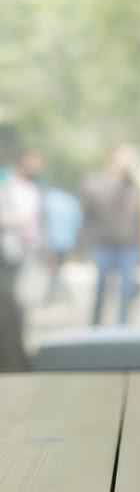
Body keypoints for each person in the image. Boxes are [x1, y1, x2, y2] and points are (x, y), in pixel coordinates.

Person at [81, 144, 140, 327]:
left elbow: (138, 218)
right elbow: (89, 213)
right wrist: (84, 244)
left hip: (129, 245)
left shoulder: (134, 187)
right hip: (104, 244)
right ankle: (95, 326)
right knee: (101, 289)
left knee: (127, 290)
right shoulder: (95, 183)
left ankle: (122, 327)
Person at [0, 128, 38, 369]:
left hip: (21, 254)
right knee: (10, 308)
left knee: (17, 309)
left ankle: (16, 358)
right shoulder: (10, 188)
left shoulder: (28, 188)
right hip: (10, 256)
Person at [40, 176, 83, 304]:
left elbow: (41, 220)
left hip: (51, 240)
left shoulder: (47, 199)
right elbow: (78, 222)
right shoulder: (71, 200)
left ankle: (53, 293)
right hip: (67, 240)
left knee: (53, 268)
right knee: (60, 267)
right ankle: (60, 293)